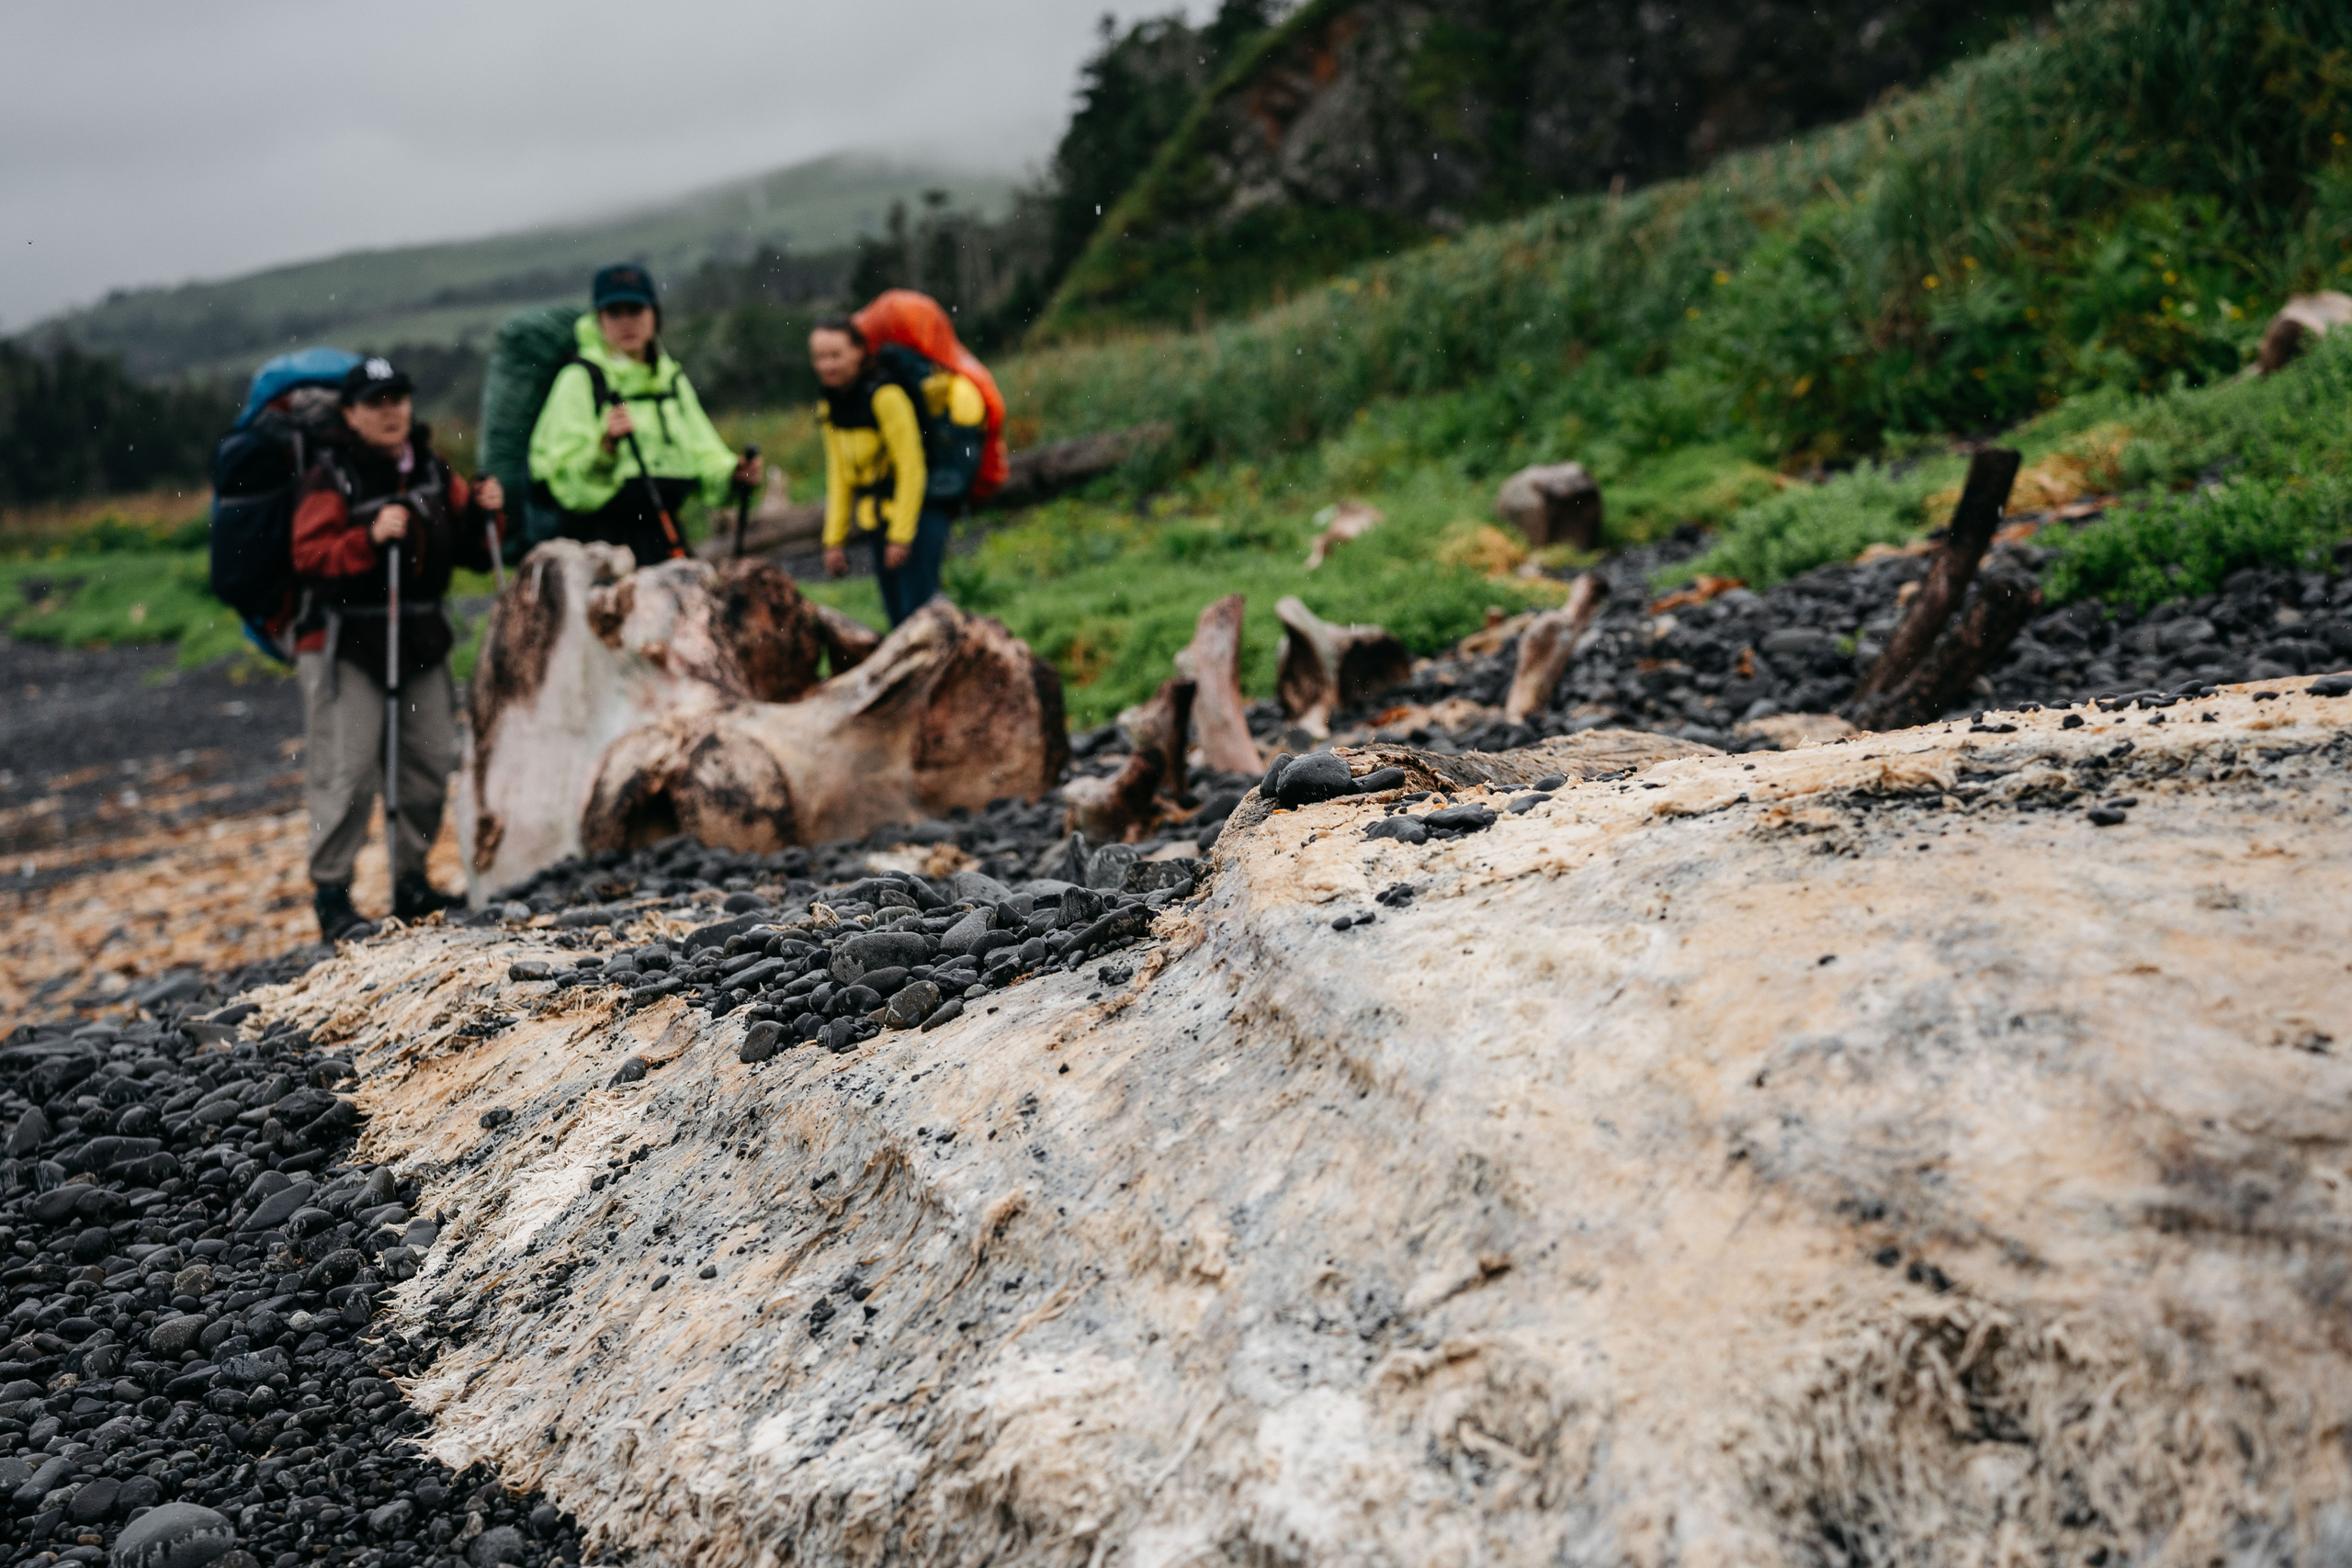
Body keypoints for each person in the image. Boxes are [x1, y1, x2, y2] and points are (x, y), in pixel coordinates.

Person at [290, 355, 505, 940]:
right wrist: (366, 538)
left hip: (418, 636)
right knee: (349, 770)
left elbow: (472, 547)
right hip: (346, 638)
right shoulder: (331, 476)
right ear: (351, 414)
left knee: (429, 762)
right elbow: (308, 557)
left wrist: (490, 513)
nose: (391, 412)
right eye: (376, 403)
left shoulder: (432, 468)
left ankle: (412, 881)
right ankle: (333, 896)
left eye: (398, 399)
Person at [527, 263, 761, 568]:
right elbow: (564, 480)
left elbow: (705, 453)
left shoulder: (671, 380)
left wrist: (733, 475)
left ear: (654, 314)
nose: (626, 322)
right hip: (601, 546)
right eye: (614, 312)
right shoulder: (578, 380)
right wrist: (605, 448)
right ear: (599, 319)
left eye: (635, 310)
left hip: (664, 536)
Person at [811, 316, 987, 625]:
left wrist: (901, 537)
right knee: (898, 621)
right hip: (878, 520)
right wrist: (833, 541)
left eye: (835, 355)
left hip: (919, 514)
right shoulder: (830, 407)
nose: (827, 365)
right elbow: (839, 477)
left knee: (920, 619)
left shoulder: (886, 396)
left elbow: (911, 468)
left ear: (860, 352)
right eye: (819, 357)